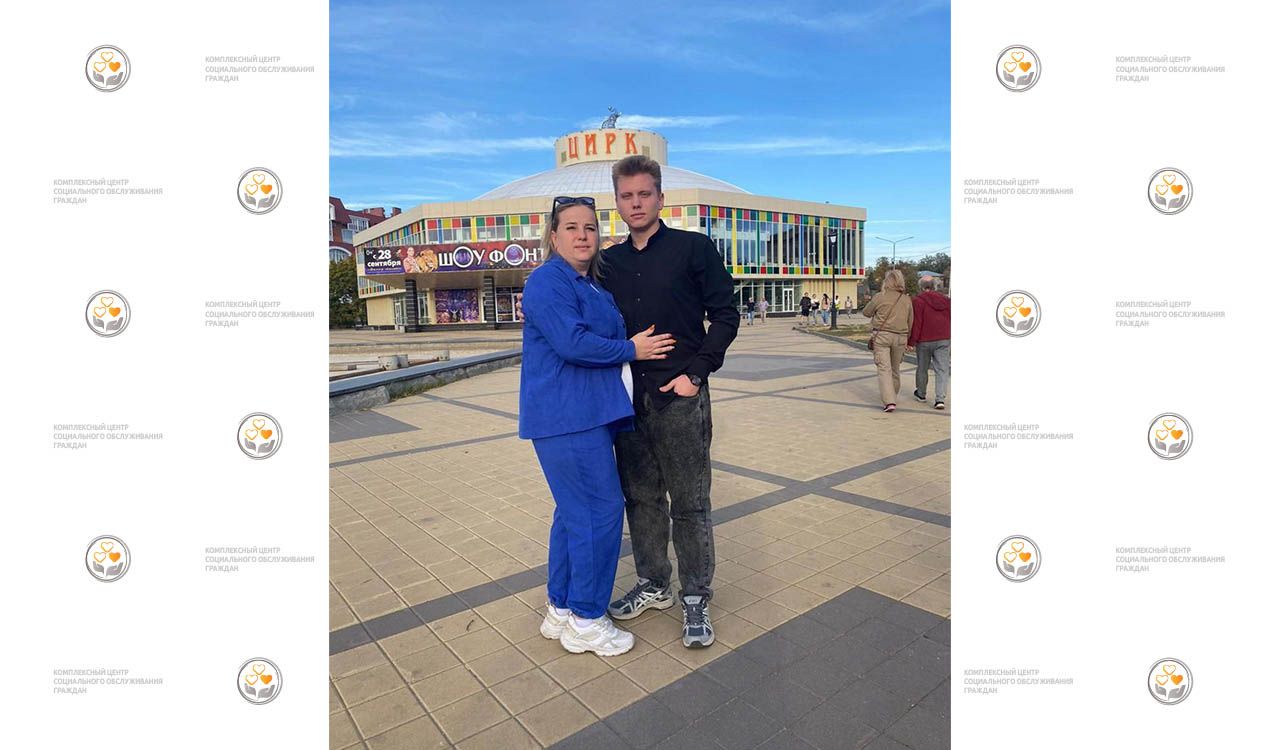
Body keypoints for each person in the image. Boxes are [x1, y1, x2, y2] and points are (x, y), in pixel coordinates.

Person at [519, 196, 676, 657]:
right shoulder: (548, 281)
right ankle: (587, 620)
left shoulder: (588, 284)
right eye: (571, 227)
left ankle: (562, 608)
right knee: (599, 513)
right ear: (553, 236)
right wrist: (632, 350)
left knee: (573, 514)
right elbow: (572, 343)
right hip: (568, 416)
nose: (582, 235)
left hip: (586, 414)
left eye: (589, 227)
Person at [600, 155, 739, 649]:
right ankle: (654, 583)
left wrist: (695, 375)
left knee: (690, 504)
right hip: (627, 403)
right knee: (641, 501)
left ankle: (695, 595)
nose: (636, 203)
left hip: (679, 399)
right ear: (617, 203)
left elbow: (725, 315)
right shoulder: (609, 264)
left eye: (644, 194)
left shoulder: (692, 249)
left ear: (661, 198)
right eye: (626, 196)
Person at [862, 269, 914, 412]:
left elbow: (866, 312)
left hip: (882, 336)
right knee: (895, 369)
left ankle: (889, 401)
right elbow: (911, 321)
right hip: (901, 337)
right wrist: (908, 338)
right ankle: (893, 395)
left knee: (884, 369)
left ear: (886, 282)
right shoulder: (906, 299)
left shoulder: (880, 296)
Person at [909, 277, 951, 410]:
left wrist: (912, 341)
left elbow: (917, 323)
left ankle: (921, 394)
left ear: (921, 287)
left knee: (922, 367)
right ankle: (940, 399)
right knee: (942, 369)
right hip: (943, 338)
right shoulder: (946, 300)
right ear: (934, 286)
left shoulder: (918, 301)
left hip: (924, 340)